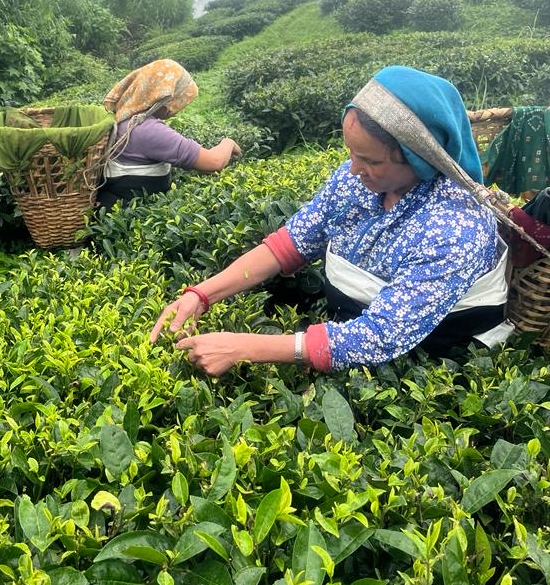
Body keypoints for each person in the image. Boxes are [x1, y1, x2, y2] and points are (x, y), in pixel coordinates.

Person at [150, 65, 511, 374]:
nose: (353, 169)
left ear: (420, 159)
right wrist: (201, 295)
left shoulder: (455, 226)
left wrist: (244, 347)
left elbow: (381, 336)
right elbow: (291, 243)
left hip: (434, 364)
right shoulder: (356, 181)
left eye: (370, 160)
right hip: (343, 333)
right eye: (351, 152)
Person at [97, 59, 241, 210]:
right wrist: (228, 142)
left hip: (115, 205)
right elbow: (214, 162)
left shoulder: (125, 118)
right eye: (177, 100)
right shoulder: (146, 129)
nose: (176, 109)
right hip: (128, 214)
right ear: (162, 97)